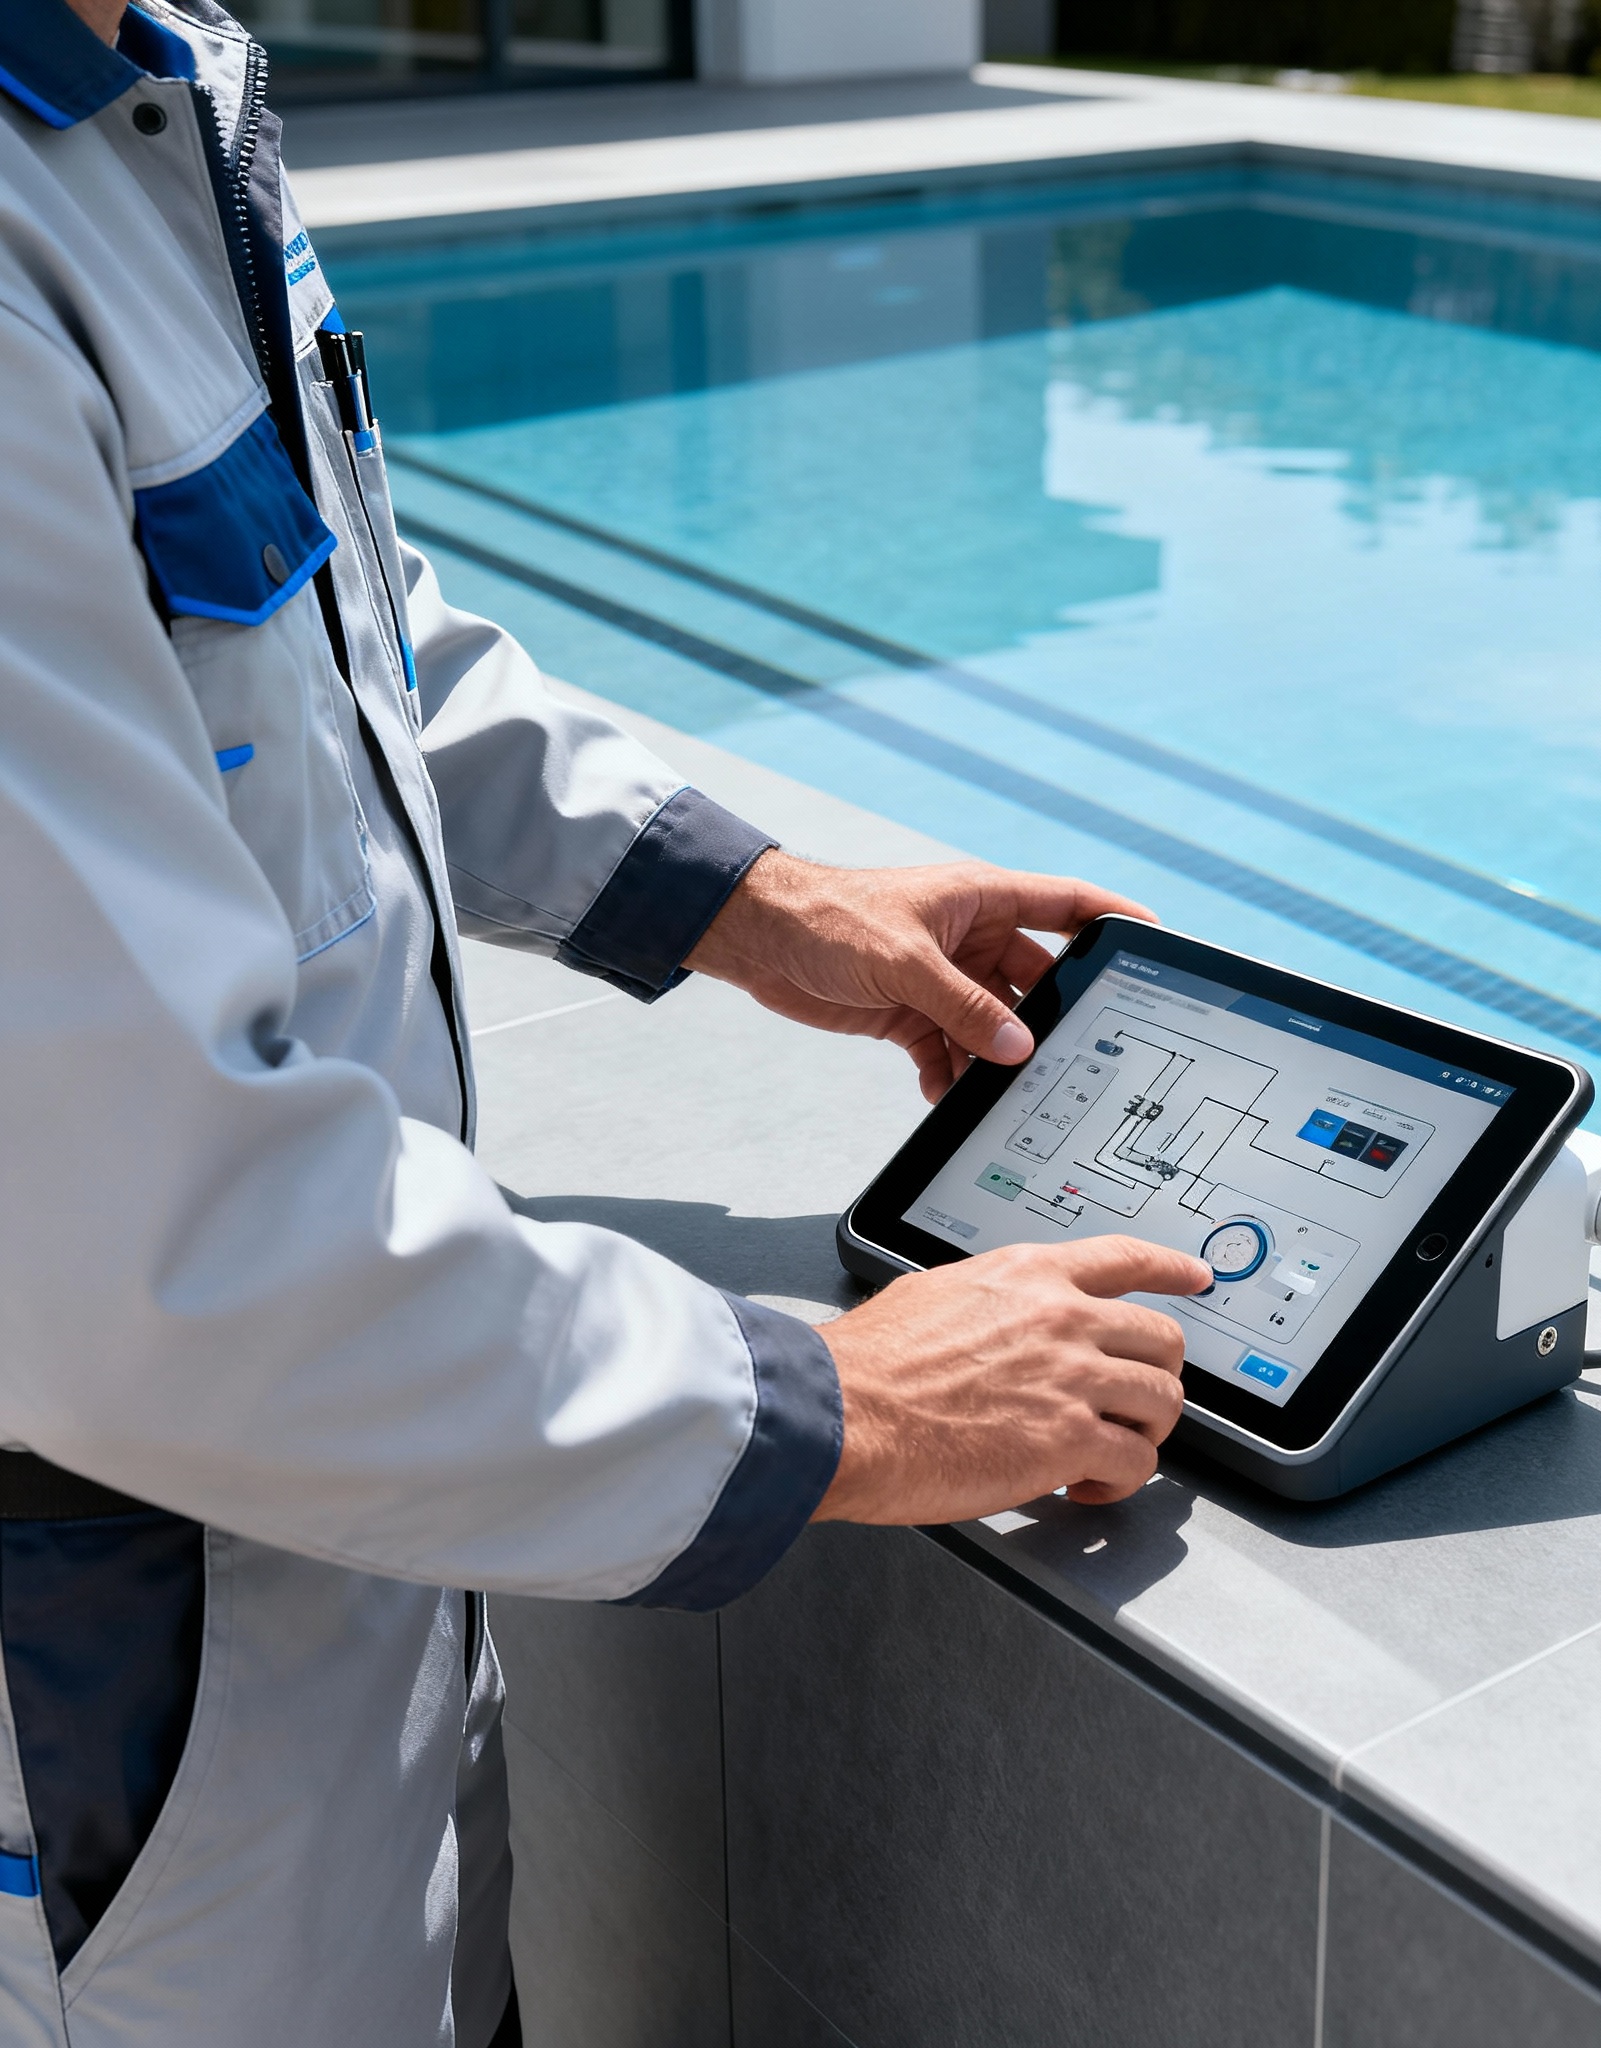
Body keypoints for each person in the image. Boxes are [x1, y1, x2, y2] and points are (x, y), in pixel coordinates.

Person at [0, 3, 1211, 2040]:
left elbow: (325, 629)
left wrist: (750, 897)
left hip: (328, 1643)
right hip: (119, 1727)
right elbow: (151, 1258)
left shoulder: (149, 78)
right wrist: (842, 1407)